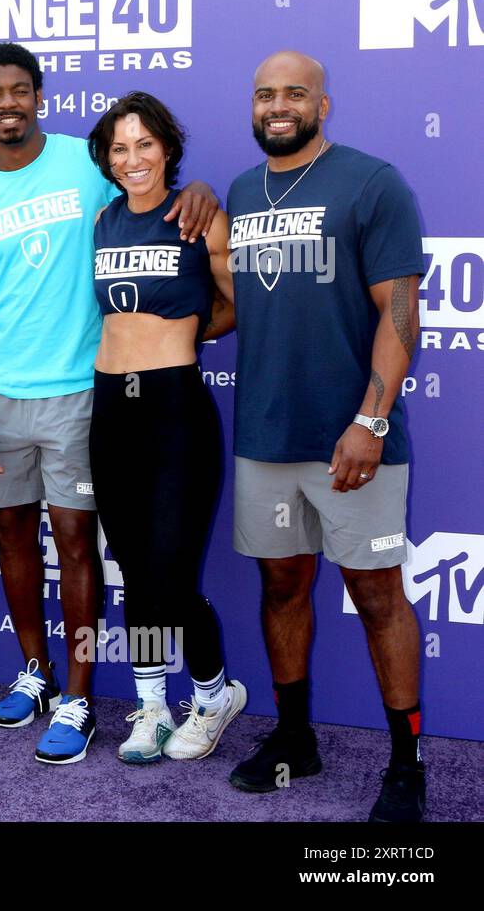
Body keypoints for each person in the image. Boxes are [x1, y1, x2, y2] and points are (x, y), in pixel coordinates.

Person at [0, 42, 218, 764]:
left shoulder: (82, 168)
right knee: (20, 541)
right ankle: (44, 675)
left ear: (39, 97)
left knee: (97, 554)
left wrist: (205, 194)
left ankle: (88, 695)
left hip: (87, 398)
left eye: (21, 90)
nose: (8, 102)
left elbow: (160, 205)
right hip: (2, 399)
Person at [225, 51, 425, 822]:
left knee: (377, 594)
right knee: (283, 586)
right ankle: (295, 737)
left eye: (294, 94)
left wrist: (370, 420)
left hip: (352, 438)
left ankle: (405, 764)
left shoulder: (372, 183)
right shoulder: (243, 192)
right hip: (265, 436)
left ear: (323, 104)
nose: (279, 105)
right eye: (265, 92)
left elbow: (400, 312)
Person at [84, 92, 245, 763]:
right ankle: (151, 705)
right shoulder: (102, 219)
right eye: (120, 149)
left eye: (144, 145)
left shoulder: (200, 219)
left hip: (175, 408)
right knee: (134, 570)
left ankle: (213, 695)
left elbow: (238, 305)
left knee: (172, 576)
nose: (133, 159)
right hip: (110, 409)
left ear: (167, 149)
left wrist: (182, 335)